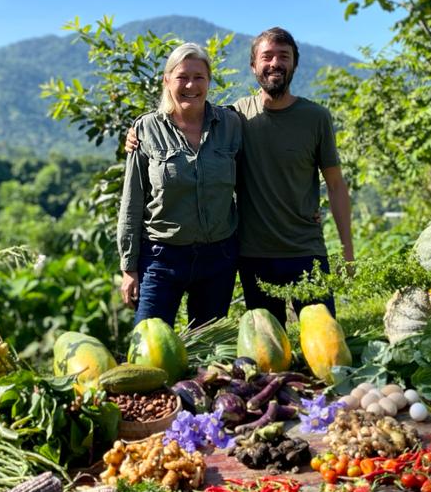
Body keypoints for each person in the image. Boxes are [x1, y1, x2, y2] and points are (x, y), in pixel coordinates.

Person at [127, 27, 354, 327]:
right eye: (267, 56)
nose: (275, 63)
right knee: (269, 351)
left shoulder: (315, 118)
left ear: (295, 64)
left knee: (326, 337)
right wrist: (135, 133)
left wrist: (347, 251)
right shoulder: (236, 117)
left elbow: (336, 185)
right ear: (253, 66)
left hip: (305, 250)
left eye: (283, 57)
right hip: (252, 254)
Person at [117, 42, 243, 328]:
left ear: (209, 81)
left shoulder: (231, 125)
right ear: (166, 80)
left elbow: (256, 179)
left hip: (218, 257)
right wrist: (129, 267)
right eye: (182, 77)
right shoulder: (147, 129)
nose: (190, 85)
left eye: (199, 77)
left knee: (207, 353)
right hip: (161, 258)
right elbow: (132, 202)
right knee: (148, 346)